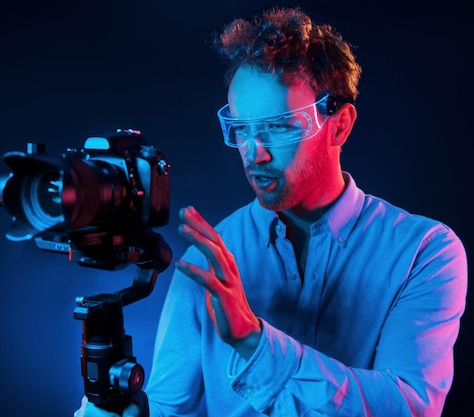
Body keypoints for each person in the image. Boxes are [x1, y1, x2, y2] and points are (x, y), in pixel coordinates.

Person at [74, 6, 468, 417]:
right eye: (242, 129)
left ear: (339, 125)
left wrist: (254, 342)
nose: (253, 153)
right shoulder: (207, 261)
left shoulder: (424, 252)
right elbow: (166, 409)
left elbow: (409, 407)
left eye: (279, 126)